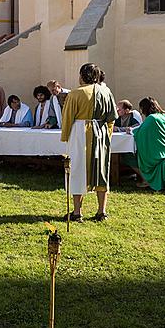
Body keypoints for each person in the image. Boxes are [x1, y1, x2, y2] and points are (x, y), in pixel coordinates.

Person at [60, 63, 117, 222]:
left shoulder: (75, 93)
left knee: (78, 169)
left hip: (80, 132)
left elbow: (67, 118)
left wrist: (65, 137)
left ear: (82, 75)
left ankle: (77, 212)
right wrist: (107, 135)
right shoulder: (106, 92)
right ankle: (101, 211)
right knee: (101, 171)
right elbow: (112, 118)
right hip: (101, 132)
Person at [127, 97, 165, 190]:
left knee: (130, 155)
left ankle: (147, 180)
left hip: (159, 152)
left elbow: (141, 132)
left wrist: (131, 131)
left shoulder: (152, 118)